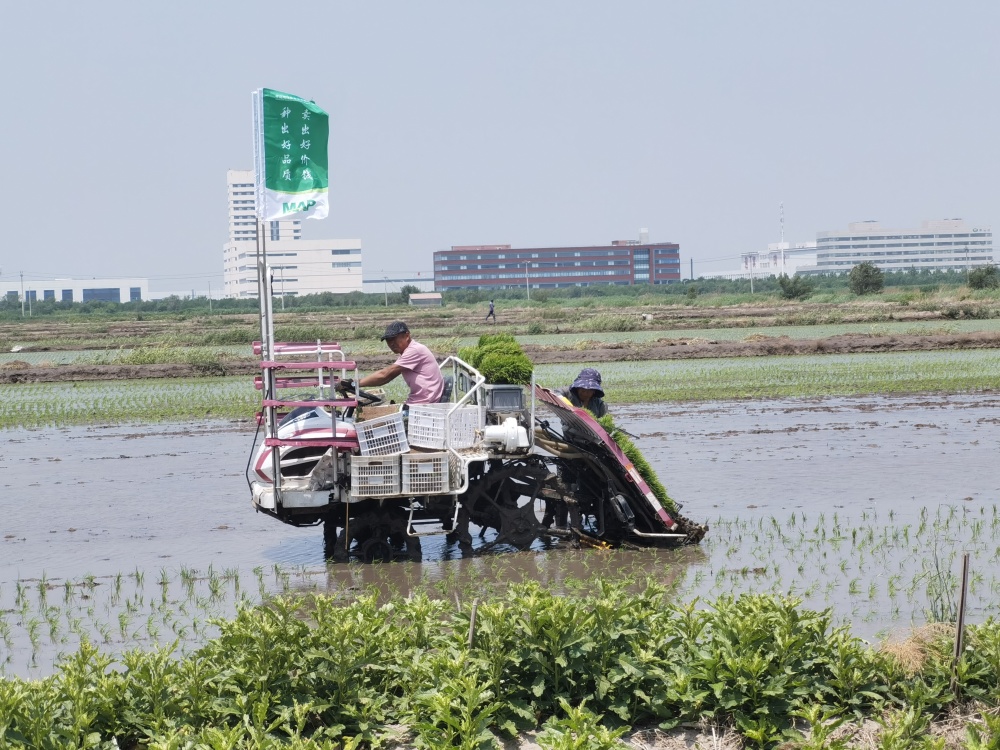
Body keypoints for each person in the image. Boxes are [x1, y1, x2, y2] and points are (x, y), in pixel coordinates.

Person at [345, 321, 444, 405]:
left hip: (423, 405)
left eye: (394, 339)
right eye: (388, 340)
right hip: (419, 402)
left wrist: (354, 383)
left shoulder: (414, 350)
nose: (391, 344)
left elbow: (385, 375)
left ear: (407, 336)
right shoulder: (406, 353)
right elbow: (387, 376)